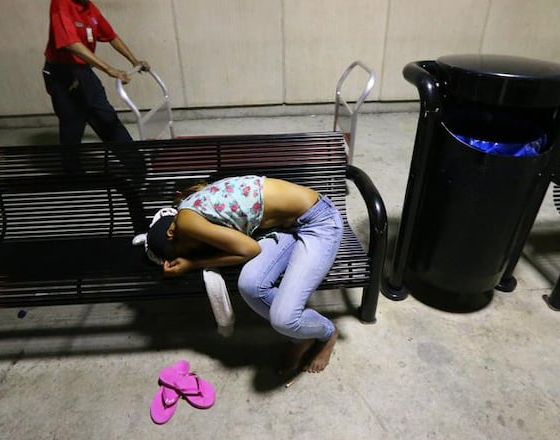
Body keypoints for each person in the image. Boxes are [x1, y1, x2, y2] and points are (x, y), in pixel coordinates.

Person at [144, 176, 343, 373]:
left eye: (180, 252)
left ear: (172, 233)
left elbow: (249, 249)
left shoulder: (186, 222)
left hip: (319, 221)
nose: (187, 253)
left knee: (284, 320)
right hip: (284, 229)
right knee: (250, 286)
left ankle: (327, 332)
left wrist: (192, 263)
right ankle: (301, 335)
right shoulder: (188, 211)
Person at [42, 0, 149, 145]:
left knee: (108, 118)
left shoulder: (89, 7)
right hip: (61, 73)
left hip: (83, 71)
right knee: (73, 123)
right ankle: (72, 167)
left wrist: (134, 61)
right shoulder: (61, 3)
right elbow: (70, 43)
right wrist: (109, 69)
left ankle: (137, 165)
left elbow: (111, 36)